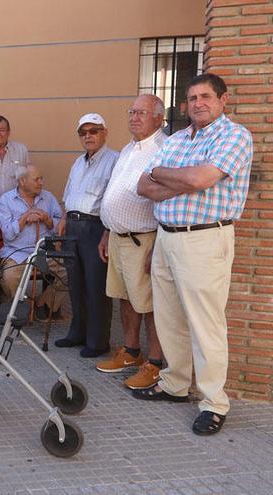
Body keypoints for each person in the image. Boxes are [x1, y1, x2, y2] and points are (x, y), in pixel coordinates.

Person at [134, 73, 253, 436]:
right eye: (191, 98)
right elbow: (143, 185)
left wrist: (167, 176)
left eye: (205, 96)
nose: (198, 103)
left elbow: (201, 179)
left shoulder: (235, 136)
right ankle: (174, 384)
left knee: (205, 323)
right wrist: (178, 179)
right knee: (169, 317)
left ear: (223, 100)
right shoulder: (180, 139)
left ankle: (214, 402)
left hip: (205, 240)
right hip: (167, 239)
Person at [96, 95, 167, 390]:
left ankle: (156, 362)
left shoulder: (165, 148)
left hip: (145, 240)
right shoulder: (127, 149)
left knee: (150, 305)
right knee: (124, 298)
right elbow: (116, 193)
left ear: (159, 119)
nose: (134, 117)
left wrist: (159, 245)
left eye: (142, 113)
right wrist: (106, 231)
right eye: (132, 112)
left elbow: (167, 199)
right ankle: (131, 351)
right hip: (117, 237)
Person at [54, 113, 118, 358]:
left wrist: (108, 232)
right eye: (83, 132)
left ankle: (98, 341)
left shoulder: (114, 160)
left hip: (95, 226)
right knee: (76, 284)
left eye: (94, 131)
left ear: (104, 132)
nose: (88, 136)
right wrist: (63, 218)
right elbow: (68, 195)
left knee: (96, 286)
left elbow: (112, 200)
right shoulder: (78, 163)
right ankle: (77, 333)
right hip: (73, 226)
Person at [0, 163, 65, 319]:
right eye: (37, 179)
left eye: (41, 179)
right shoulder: (6, 200)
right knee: (9, 278)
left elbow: (59, 226)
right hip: (17, 253)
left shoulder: (48, 197)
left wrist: (47, 219)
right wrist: (24, 218)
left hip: (44, 252)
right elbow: (7, 234)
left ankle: (43, 303)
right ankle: (19, 307)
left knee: (70, 272)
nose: (41, 182)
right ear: (22, 181)